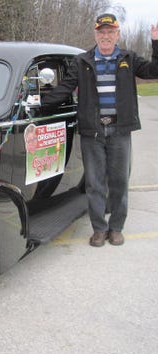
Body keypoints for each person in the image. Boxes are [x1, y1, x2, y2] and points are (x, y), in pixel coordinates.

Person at [41, 13, 158, 247]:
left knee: (119, 181)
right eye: (101, 32)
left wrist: (156, 43)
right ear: (96, 34)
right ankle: (99, 229)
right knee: (94, 183)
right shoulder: (82, 61)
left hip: (120, 131)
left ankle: (116, 228)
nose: (106, 36)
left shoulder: (128, 58)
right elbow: (65, 88)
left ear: (117, 34)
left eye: (110, 32)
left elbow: (154, 71)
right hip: (92, 133)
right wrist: (39, 102)